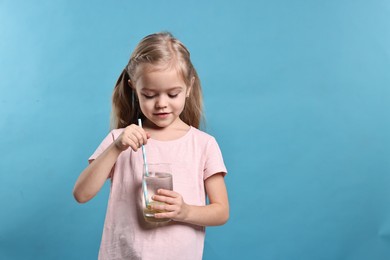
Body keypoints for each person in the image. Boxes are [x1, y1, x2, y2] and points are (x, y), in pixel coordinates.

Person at [73, 32, 229, 260]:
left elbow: (221, 211)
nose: (161, 104)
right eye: (149, 95)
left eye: (172, 94)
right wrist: (116, 147)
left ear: (188, 87)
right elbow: (81, 194)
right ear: (134, 88)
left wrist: (185, 211)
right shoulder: (120, 139)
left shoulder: (203, 144)